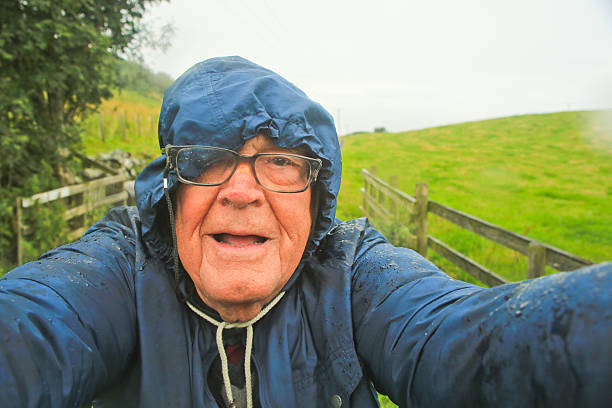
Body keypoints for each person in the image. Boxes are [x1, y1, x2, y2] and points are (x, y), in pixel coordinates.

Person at [0, 56, 610, 408]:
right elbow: (33, 330)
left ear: (316, 201)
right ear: (171, 190)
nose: (241, 190)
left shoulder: (351, 273)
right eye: (209, 158)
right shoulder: (119, 268)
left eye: (282, 162)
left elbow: (464, 346)